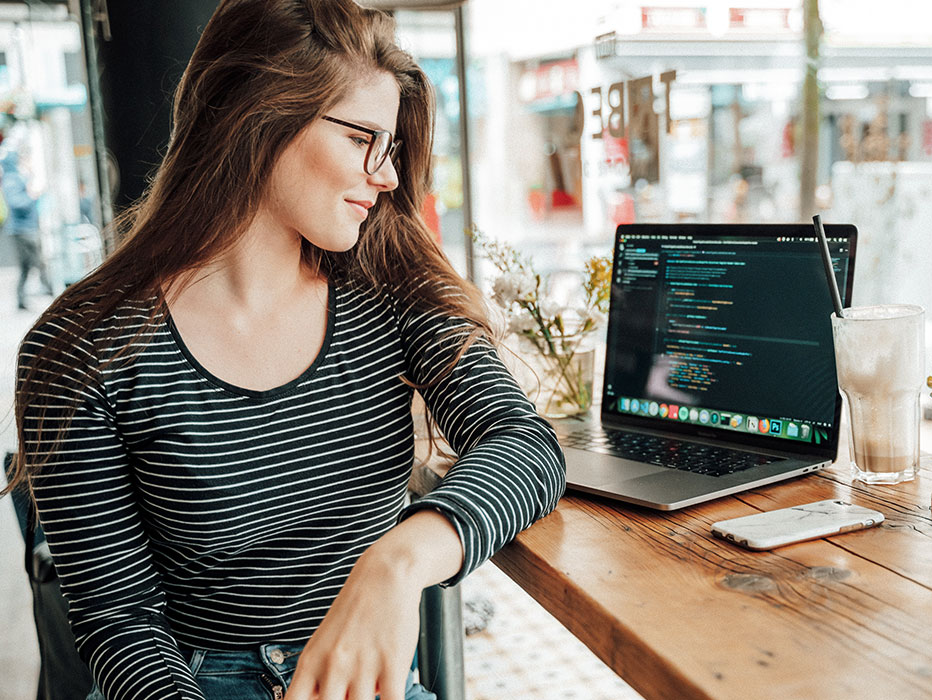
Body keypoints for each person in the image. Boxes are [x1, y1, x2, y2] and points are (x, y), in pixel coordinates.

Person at [6, 1, 567, 699]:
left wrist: (398, 562)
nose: (388, 176)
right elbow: (119, 623)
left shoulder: (392, 289)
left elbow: (527, 444)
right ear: (257, 116)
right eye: (362, 138)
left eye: (390, 146)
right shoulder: (81, 349)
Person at [3, 149, 53, 309]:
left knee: (28, 265)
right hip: (22, 229)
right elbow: (16, 203)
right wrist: (32, 196)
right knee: (36, 262)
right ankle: (49, 289)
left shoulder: (18, 177)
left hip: (26, 227)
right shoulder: (12, 179)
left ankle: (23, 298)